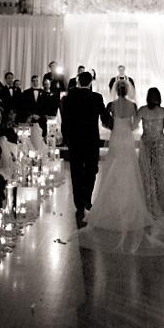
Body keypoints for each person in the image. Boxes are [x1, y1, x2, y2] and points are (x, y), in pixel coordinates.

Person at [75, 83, 164, 255]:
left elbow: (120, 124)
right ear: (127, 90)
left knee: (114, 169)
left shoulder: (117, 106)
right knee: (142, 173)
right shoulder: (136, 107)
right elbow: (138, 126)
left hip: (117, 139)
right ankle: (157, 204)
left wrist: (118, 125)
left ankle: (114, 203)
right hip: (130, 140)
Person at [60, 71, 109, 225]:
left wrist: (67, 139)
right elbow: (105, 119)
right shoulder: (97, 97)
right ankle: (87, 198)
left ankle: (78, 203)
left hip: (74, 141)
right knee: (91, 169)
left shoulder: (68, 98)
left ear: (78, 81)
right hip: (91, 140)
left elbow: (65, 121)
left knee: (76, 170)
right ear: (90, 83)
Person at [134, 87, 164, 217]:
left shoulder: (142, 110)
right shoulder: (163, 111)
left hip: (146, 143)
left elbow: (133, 125)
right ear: (159, 98)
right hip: (160, 144)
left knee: (147, 174)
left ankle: (148, 205)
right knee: (161, 174)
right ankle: (163, 205)